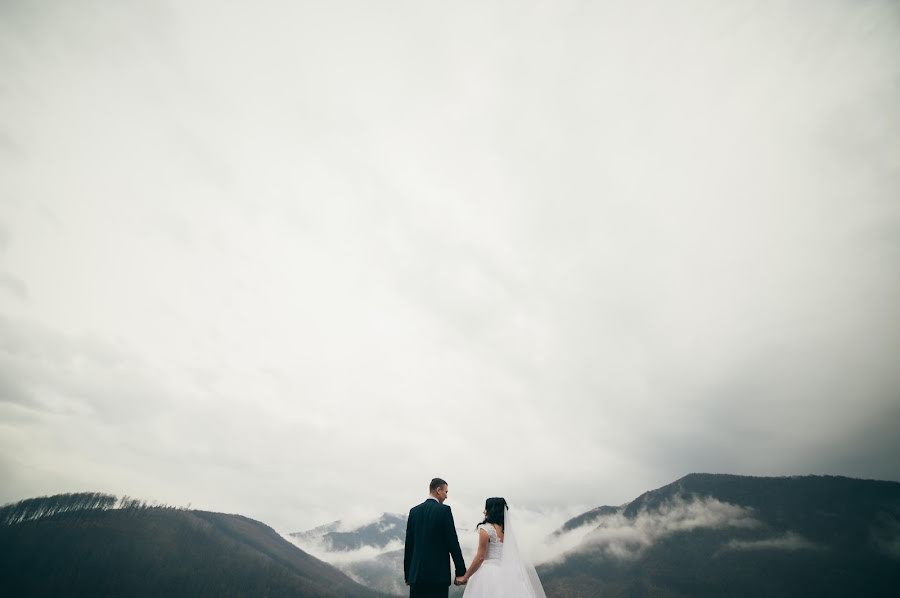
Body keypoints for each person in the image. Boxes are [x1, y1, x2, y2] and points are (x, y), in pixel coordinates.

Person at [459, 497, 547, 598]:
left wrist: (466, 576)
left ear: (491, 510)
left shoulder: (486, 528)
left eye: (486, 508)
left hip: (489, 573)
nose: (484, 511)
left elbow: (480, 557)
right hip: (509, 573)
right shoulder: (507, 531)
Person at [404, 478, 467, 598]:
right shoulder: (444, 510)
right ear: (438, 490)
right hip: (438, 577)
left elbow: (409, 545)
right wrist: (460, 571)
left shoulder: (414, 511)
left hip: (416, 577)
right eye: (446, 492)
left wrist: (408, 574)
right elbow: (452, 542)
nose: (446, 496)